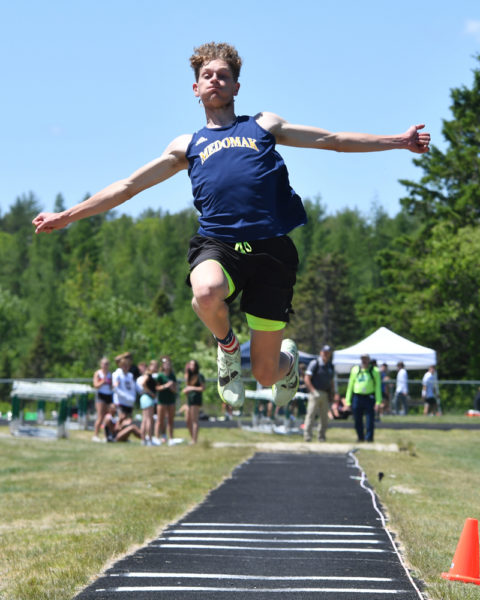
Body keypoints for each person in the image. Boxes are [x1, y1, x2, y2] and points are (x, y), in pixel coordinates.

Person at [32, 42, 430, 411]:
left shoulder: (263, 125)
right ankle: (226, 347)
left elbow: (333, 139)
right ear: (195, 88)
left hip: (271, 251)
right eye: (208, 75)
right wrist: (67, 217)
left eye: (223, 75)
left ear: (237, 85)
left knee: (264, 374)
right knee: (204, 291)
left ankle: (286, 363)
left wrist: (398, 140)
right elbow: (128, 187)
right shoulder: (187, 145)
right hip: (218, 244)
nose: (215, 81)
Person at [345, 354, 382, 442]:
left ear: (369, 360)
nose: (364, 361)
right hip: (357, 397)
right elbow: (350, 386)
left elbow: (378, 387)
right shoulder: (355, 370)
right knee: (357, 419)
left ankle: (369, 438)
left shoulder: (374, 371)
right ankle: (360, 437)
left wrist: (378, 401)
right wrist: (348, 401)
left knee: (370, 420)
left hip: (369, 397)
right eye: (362, 359)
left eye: (366, 359)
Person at [303, 345, 335, 442]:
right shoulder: (315, 363)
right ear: (321, 352)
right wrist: (313, 391)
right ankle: (307, 436)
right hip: (315, 393)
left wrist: (332, 394)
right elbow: (307, 378)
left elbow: (331, 381)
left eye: (327, 352)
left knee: (324, 417)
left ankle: (321, 437)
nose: (326, 354)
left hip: (325, 393)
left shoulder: (330, 365)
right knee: (311, 415)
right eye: (324, 352)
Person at [154, 355, 178, 445]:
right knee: (160, 420)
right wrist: (166, 386)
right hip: (162, 400)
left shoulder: (172, 376)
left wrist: (171, 387)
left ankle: (171, 438)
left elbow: (175, 390)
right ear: (163, 365)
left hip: (171, 400)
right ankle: (156, 437)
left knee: (170, 420)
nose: (167, 365)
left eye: (168, 363)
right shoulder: (160, 376)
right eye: (165, 364)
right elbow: (156, 388)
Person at [182, 359, 205, 444]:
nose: (192, 366)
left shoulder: (199, 376)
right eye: (190, 365)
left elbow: (202, 388)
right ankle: (192, 438)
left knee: (194, 420)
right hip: (189, 400)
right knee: (187, 420)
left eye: (193, 365)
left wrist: (191, 388)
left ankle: (194, 440)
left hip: (196, 400)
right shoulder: (190, 376)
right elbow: (186, 381)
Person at [92, 356, 113, 442]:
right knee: (100, 416)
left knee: (107, 417)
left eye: (107, 364)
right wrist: (102, 381)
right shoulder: (98, 373)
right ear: (101, 364)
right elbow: (95, 385)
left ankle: (106, 436)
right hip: (100, 395)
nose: (105, 366)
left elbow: (111, 386)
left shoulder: (110, 374)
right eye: (104, 364)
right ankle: (95, 435)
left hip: (108, 395)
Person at [136, 363, 158, 445]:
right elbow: (143, 384)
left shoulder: (149, 375)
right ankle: (150, 440)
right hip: (147, 398)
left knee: (145, 420)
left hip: (144, 398)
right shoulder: (148, 375)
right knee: (149, 419)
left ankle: (143, 440)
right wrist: (151, 393)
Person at [112, 352, 137, 418]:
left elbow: (132, 388)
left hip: (129, 402)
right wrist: (125, 396)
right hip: (121, 401)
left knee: (128, 421)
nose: (126, 367)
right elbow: (115, 388)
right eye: (124, 365)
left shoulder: (130, 375)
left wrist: (132, 397)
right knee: (122, 419)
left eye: (127, 365)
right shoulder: (117, 374)